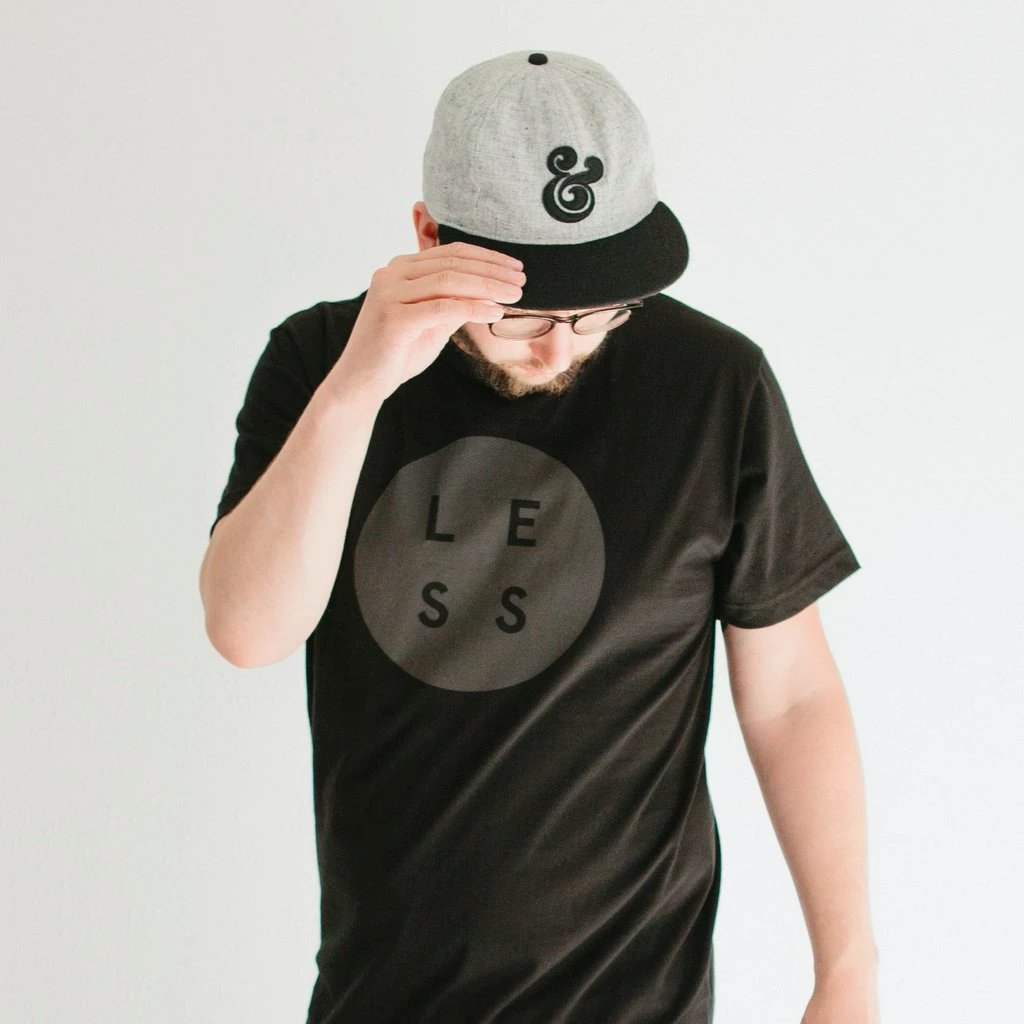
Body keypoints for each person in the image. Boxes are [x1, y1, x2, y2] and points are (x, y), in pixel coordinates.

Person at [200, 50, 880, 1024]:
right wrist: (358, 387)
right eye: (523, 316)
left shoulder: (712, 386)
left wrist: (847, 972)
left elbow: (791, 695)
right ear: (428, 237)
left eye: (599, 310)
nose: (561, 346)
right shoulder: (320, 363)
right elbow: (246, 629)